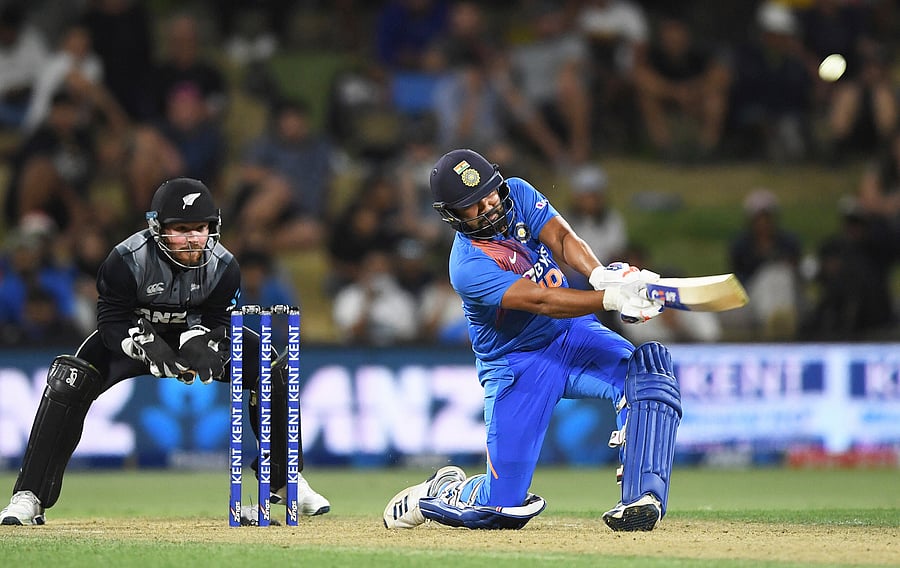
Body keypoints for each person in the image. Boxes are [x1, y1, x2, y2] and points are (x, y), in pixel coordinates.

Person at [0, 177, 329, 526]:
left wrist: (203, 341)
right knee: (70, 380)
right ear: (157, 228)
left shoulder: (225, 266)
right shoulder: (126, 259)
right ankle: (30, 495)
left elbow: (219, 319)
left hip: (195, 336)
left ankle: (284, 479)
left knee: (269, 365)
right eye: (181, 229)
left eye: (200, 228)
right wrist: (138, 343)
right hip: (137, 337)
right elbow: (111, 321)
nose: (192, 238)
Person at [382, 149, 681, 532]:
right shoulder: (467, 266)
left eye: (489, 192)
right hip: (517, 364)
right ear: (452, 214)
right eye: (473, 204)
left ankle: (642, 498)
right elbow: (542, 300)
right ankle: (444, 490)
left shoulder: (519, 193)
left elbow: (561, 237)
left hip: (571, 335)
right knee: (499, 509)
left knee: (647, 374)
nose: (488, 205)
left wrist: (601, 276)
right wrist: (611, 299)